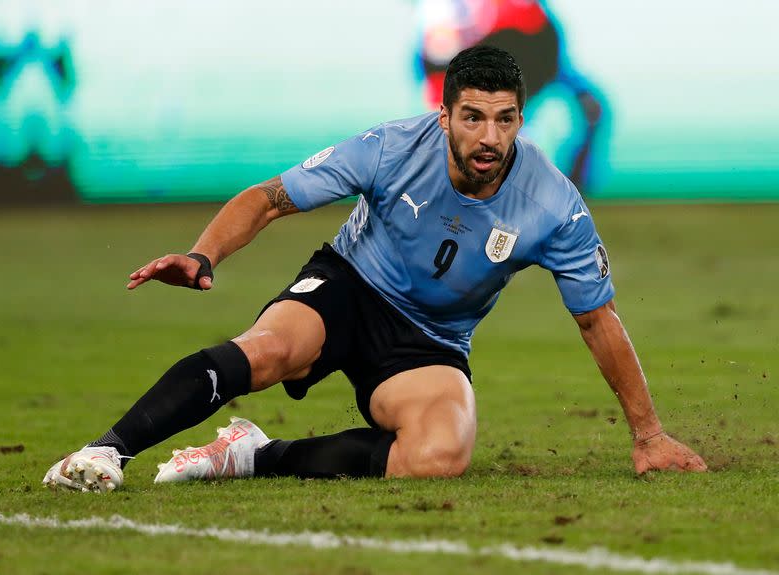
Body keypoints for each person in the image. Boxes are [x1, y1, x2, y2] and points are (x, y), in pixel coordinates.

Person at [43, 45, 706, 492]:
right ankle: (105, 450)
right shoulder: (391, 147)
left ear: (520, 121)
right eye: (472, 117)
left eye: (504, 121)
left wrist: (648, 434)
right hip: (349, 285)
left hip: (432, 338)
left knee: (442, 454)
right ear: (444, 113)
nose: (488, 138)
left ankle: (250, 453)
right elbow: (270, 199)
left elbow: (597, 318)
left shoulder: (553, 205)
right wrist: (202, 253)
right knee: (271, 350)